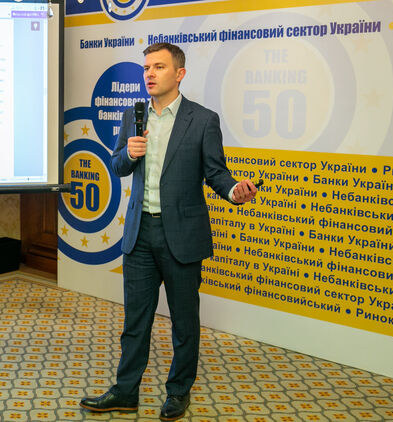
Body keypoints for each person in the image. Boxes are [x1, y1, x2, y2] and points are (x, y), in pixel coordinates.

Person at [79, 42, 258, 421]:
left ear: (179, 74)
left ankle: (178, 392)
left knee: (184, 323)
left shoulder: (203, 120)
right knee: (135, 322)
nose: (149, 73)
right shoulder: (133, 115)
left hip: (182, 236)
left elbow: (216, 172)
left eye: (158, 67)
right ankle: (125, 391)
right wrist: (128, 153)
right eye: (146, 67)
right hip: (139, 234)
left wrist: (233, 191)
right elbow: (118, 165)